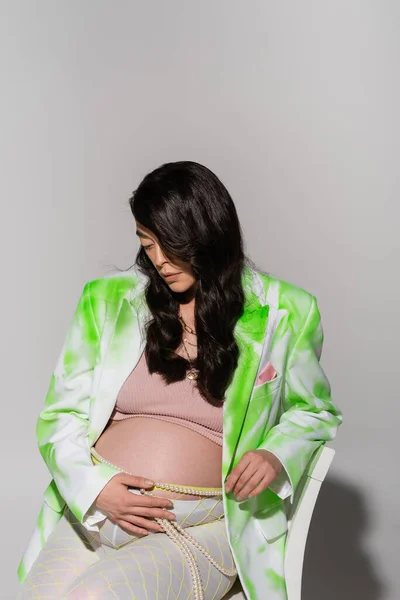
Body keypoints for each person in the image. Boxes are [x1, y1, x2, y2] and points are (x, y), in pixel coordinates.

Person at [17, 161, 342, 600]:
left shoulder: (287, 311)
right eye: (148, 245)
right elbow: (59, 415)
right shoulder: (107, 300)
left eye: (171, 245)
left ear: (208, 233)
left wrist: (275, 454)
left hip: (197, 527)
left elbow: (314, 409)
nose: (160, 261)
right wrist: (96, 491)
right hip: (94, 514)